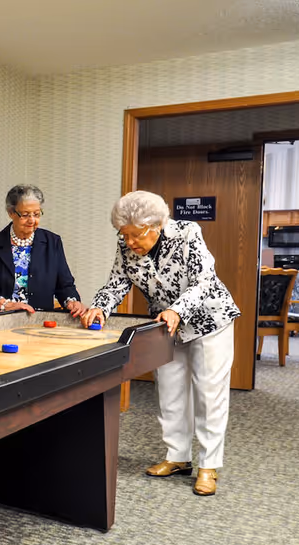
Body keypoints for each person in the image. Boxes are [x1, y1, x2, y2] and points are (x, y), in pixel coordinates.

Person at [80, 190, 240, 496]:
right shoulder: (127, 243)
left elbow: (204, 281)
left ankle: (208, 466)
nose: (129, 242)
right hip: (165, 326)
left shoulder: (187, 234)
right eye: (123, 235)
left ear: (156, 226)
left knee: (209, 391)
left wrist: (177, 309)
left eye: (135, 235)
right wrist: (100, 305)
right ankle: (178, 457)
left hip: (209, 320)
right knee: (169, 391)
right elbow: (117, 281)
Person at [0, 185, 85, 316]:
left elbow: (65, 284)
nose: (32, 220)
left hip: (37, 321)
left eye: (36, 214)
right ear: (11, 213)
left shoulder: (52, 242)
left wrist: (72, 301)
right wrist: (4, 304)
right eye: (25, 215)